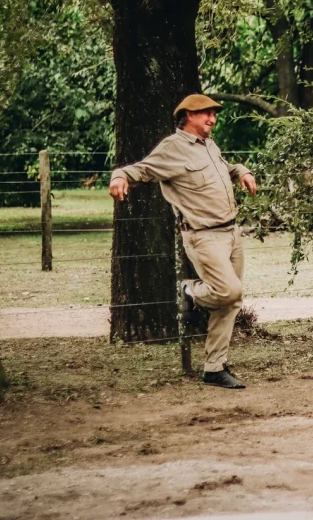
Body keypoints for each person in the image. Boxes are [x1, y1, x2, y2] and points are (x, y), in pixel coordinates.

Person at [109, 94, 258, 388]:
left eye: (214, 115)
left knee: (230, 302)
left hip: (231, 232)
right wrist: (119, 178)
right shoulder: (172, 149)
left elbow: (225, 167)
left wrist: (242, 171)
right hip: (203, 236)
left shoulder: (209, 145)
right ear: (189, 115)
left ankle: (214, 368)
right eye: (207, 115)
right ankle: (188, 291)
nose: (212, 120)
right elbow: (140, 169)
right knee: (228, 291)